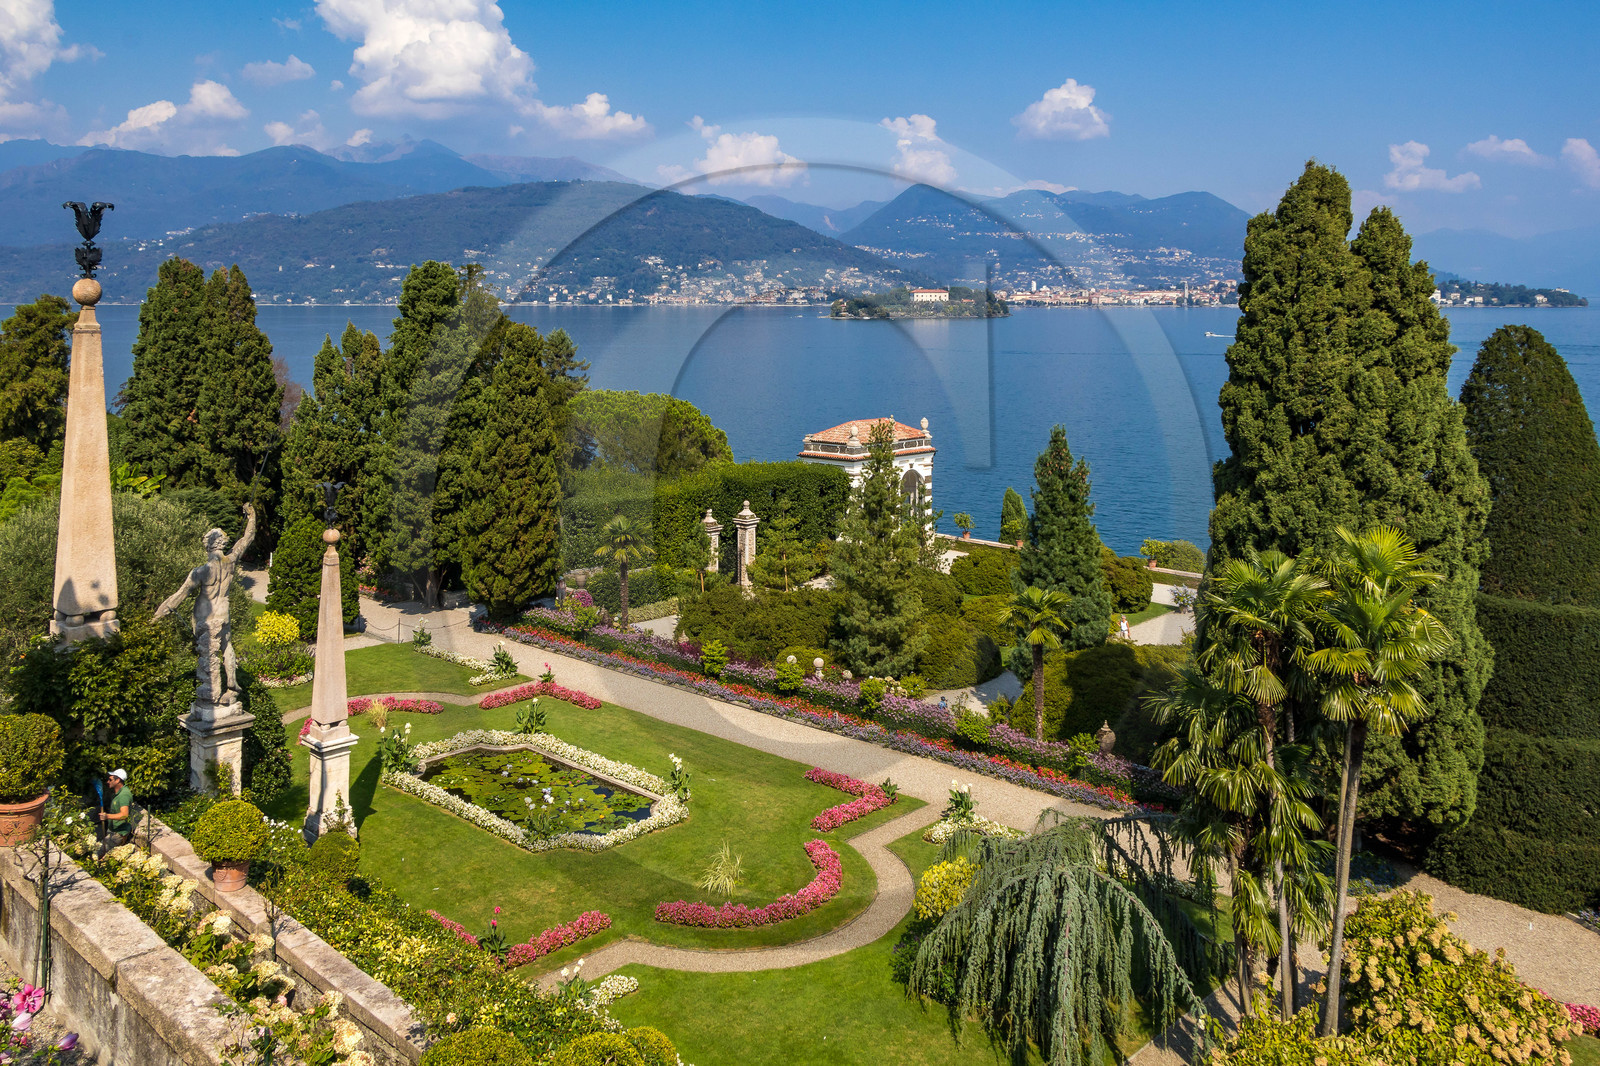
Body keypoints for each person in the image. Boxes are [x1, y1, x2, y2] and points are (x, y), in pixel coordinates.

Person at [100, 770, 133, 848]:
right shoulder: (118, 793)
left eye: (110, 780)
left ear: (118, 780)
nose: (108, 782)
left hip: (118, 833)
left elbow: (124, 815)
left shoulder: (123, 795)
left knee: (98, 852)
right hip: (113, 830)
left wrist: (107, 816)